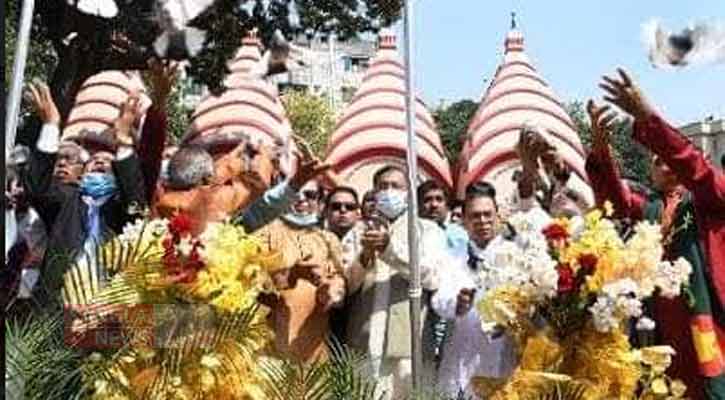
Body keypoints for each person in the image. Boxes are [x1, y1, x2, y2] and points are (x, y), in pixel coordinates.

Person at [585, 68, 725, 398]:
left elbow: (698, 170)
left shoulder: (709, 200)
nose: (664, 165)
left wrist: (648, 117)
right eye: (656, 161)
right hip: (655, 324)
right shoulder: (647, 208)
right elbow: (613, 199)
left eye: (669, 158)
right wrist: (601, 148)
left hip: (702, 327)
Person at [22, 82, 148, 299]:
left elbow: (134, 200)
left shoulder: (121, 208)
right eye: (93, 160)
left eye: (107, 161)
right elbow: (36, 188)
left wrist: (124, 140)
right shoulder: (67, 200)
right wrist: (51, 124)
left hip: (105, 307)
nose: (99, 160)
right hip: (57, 306)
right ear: (81, 173)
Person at [342, 165, 447, 398]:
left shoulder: (426, 230)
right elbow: (346, 286)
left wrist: (390, 250)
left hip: (411, 349)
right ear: (374, 192)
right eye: (383, 186)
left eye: (396, 186)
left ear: (408, 192)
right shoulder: (357, 232)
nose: (389, 191)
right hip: (363, 346)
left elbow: (432, 278)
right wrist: (365, 256)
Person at [432, 182, 517, 399]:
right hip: (461, 362)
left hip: (505, 363)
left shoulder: (517, 256)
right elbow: (439, 299)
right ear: (464, 220)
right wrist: (457, 305)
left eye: (488, 214)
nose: (482, 221)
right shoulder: (452, 256)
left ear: (498, 215)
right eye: (475, 216)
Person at [254, 179, 346, 364]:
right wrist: (291, 276)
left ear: (320, 203)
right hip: (268, 351)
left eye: (310, 195)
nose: (301, 199)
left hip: (314, 350)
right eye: (296, 193)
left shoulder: (328, 239)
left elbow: (340, 279)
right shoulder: (261, 234)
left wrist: (333, 290)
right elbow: (254, 288)